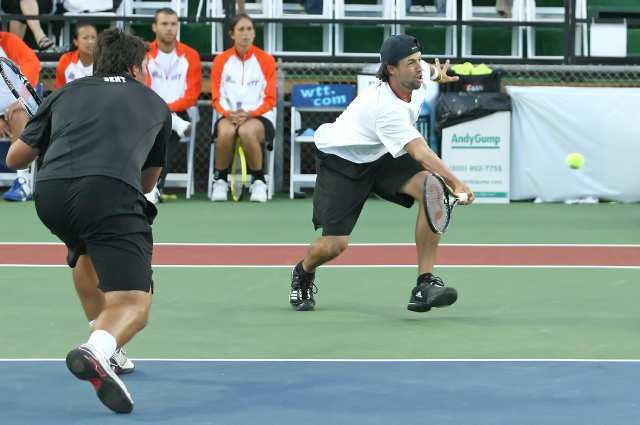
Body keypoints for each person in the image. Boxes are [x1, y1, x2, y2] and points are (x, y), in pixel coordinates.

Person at [5, 28, 171, 414]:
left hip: (51, 196)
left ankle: (110, 343)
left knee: (84, 249)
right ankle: (98, 348)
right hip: (109, 192)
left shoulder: (64, 93)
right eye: (143, 66)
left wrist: (29, 132)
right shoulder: (154, 103)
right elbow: (147, 182)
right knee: (135, 301)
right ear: (134, 67)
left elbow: (15, 159)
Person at [288, 35, 475, 312]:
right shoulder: (385, 107)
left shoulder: (417, 75)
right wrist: (457, 182)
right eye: (410, 63)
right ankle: (303, 272)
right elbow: (421, 153)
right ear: (391, 69)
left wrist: (438, 74)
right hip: (344, 161)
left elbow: (429, 70)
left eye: (418, 61)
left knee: (431, 188)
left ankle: (424, 285)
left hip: (381, 154)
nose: (418, 67)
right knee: (334, 245)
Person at [210, 13, 276, 203]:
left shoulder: (266, 60)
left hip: (260, 116)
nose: (246, 34)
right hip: (228, 115)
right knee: (226, 131)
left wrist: (250, 114)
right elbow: (216, 97)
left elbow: (270, 99)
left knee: (247, 131)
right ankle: (220, 180)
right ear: (232, 34)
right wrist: (228, 113)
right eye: (241, 29)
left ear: (254, 33)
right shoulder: (221, 61)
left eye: (249, 29)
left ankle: (259, 181)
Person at [145, 7, 201, 203]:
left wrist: (168, 109)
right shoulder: (144, 54)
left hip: (179, 112)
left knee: (164, 132)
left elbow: (192, 95)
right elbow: (142, 88)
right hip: (147, 110)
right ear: (154, 27)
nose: (170, 28)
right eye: (164, 24)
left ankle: (153, 188)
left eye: (173, 24)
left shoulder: (191, 55)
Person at [0, 30, 40, 202]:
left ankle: (23, 182)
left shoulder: (8, 41)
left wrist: (21, 99)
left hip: (16, 106)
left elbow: (32, 64)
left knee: (19, 112)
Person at [54, 23, 97, 88]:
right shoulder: (66, 60)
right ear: (75, 42)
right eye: (85, 38)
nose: (90, 41)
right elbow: (59, 90)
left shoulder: (104, 61)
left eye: (93, 37)